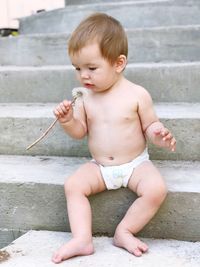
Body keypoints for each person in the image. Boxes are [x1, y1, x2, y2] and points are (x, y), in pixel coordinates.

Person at [52, 12, 176, 264]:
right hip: (101, 167)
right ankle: (82, 239)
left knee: (156, 189)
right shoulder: (83, 97)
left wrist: (158, 134)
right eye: (77, 68)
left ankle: (124, 231)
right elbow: (79, 132)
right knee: (73, 186)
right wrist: (68, 121)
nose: (83, 75)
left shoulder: (137, 94)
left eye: (92, 68)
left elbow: (150, 124)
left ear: (118, 64)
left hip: (135, 165)